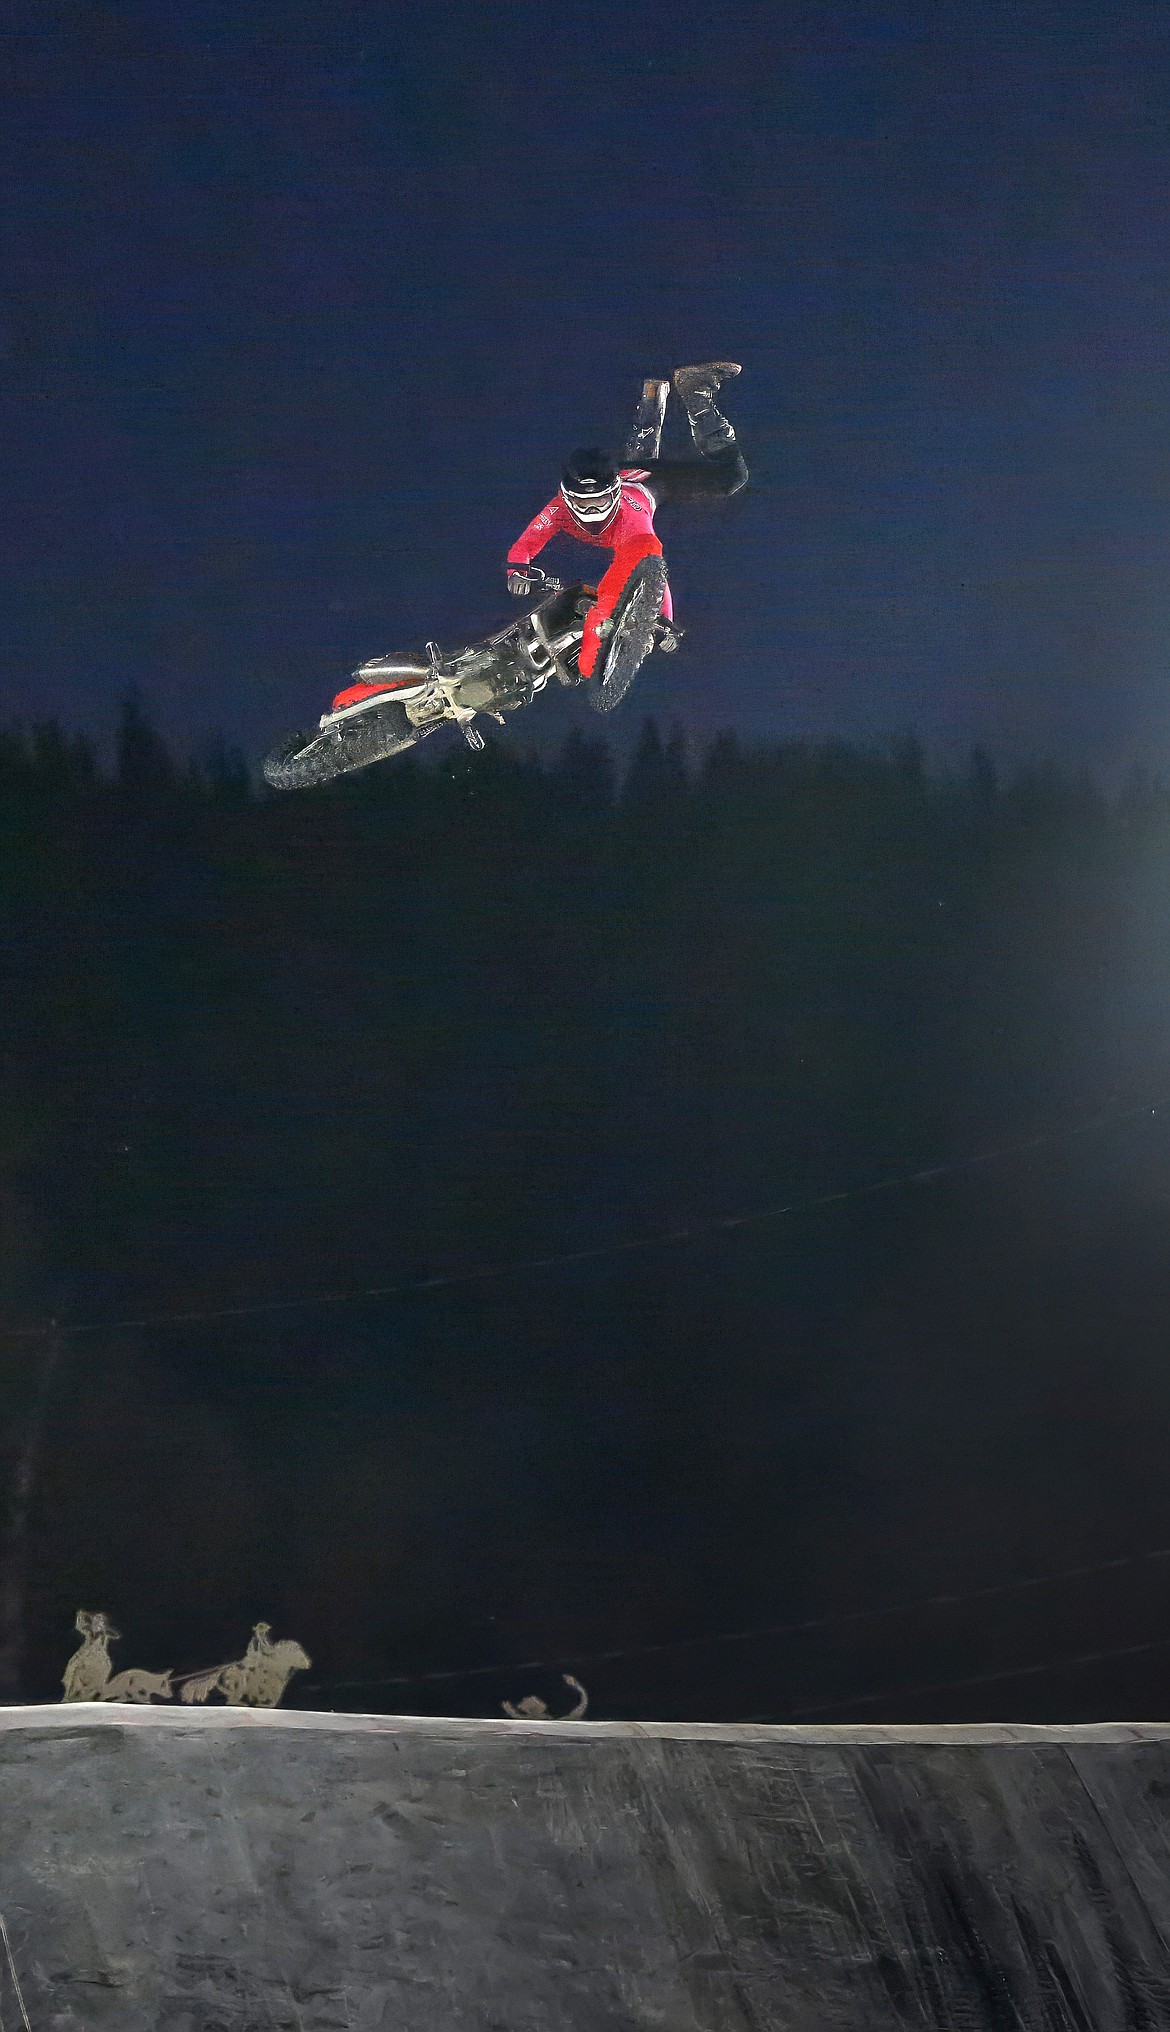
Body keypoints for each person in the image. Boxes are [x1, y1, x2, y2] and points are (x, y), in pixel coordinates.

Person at [505, 363, 748, 680]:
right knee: (637, 458)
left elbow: (651, 570)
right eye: (582, 503)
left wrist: (662, 619)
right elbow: (525, 545)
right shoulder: (557, 509)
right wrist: (517, 571)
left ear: (615, 496)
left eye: (600, 502)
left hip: (651, 483)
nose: (591, 512)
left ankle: (696, 393)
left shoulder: (628, 518)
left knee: (732, 478)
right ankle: (652, 398)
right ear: (566, 498)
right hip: (624, 472)